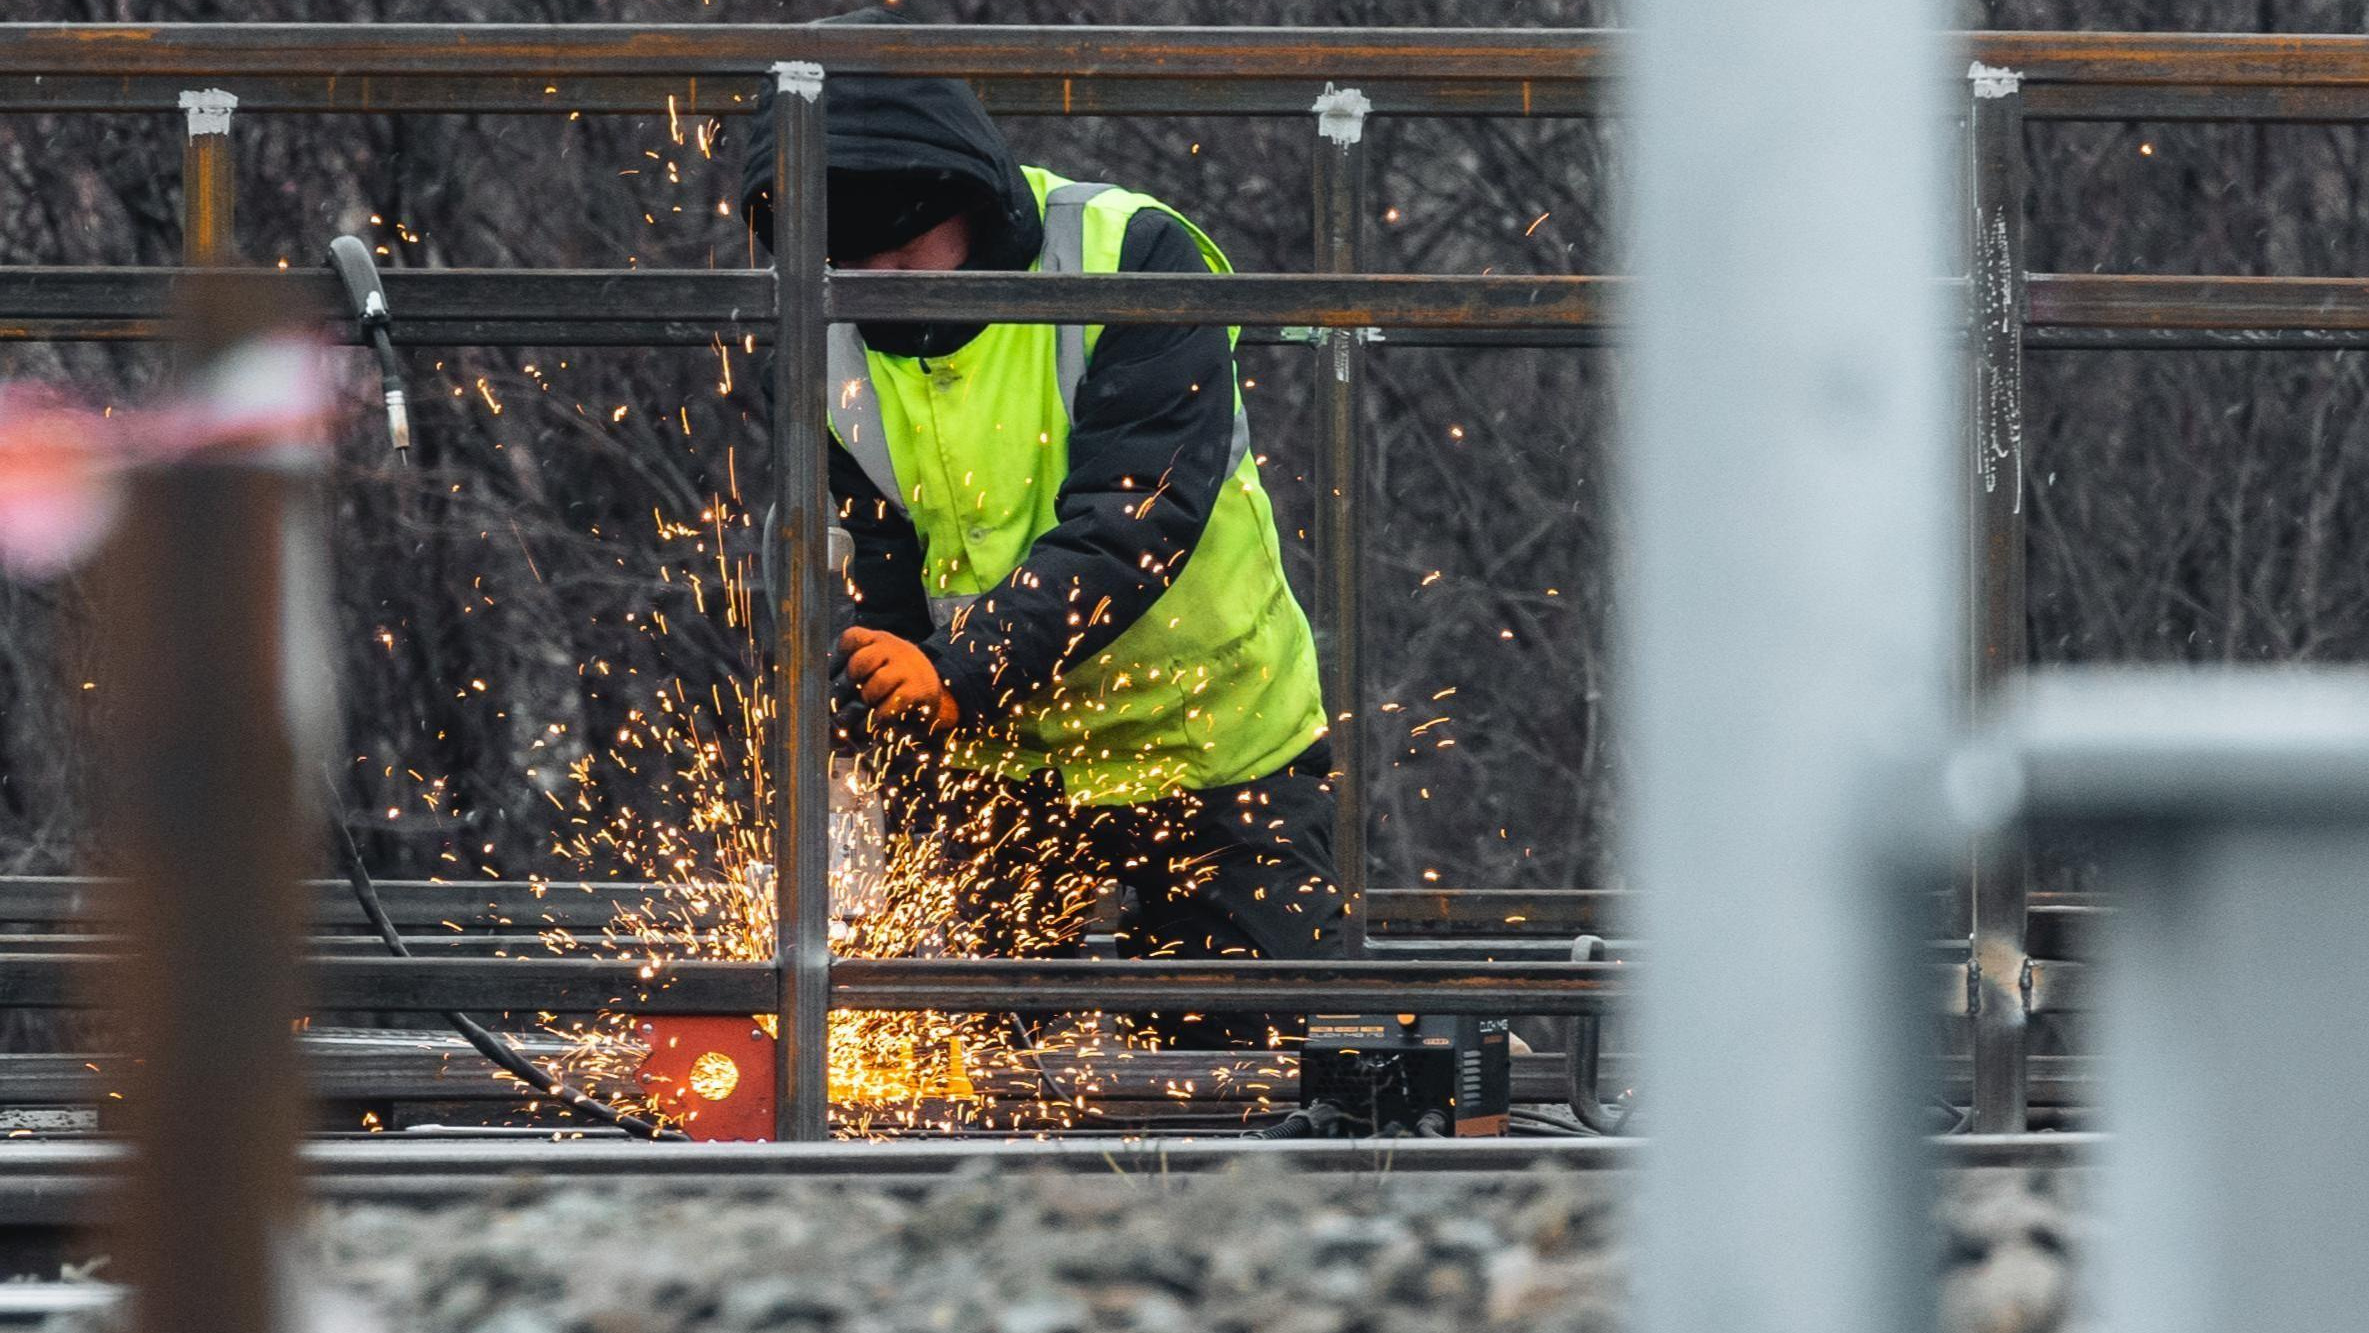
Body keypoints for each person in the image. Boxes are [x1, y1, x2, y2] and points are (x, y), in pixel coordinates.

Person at [745, 8, 1344, 1047]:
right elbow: (875, 568)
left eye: (899, 255)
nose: (876, 292)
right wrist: (871, 729)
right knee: (969, 1076)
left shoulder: (1131, 257)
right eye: (853, 267)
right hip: (1004, 760)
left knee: (1271, 1072)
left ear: (965, 202)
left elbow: (1131, 525)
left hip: (1209, 740)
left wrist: (954, 673)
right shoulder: (825, 325)